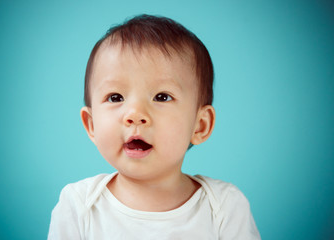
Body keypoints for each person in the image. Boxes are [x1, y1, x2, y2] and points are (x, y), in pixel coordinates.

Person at [48, 14, 261, 240]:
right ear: (91, 124)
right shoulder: (79, 206)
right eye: (115, 97)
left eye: (162, 97)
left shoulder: (224, 207)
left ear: (200, 125)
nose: (135, 114)